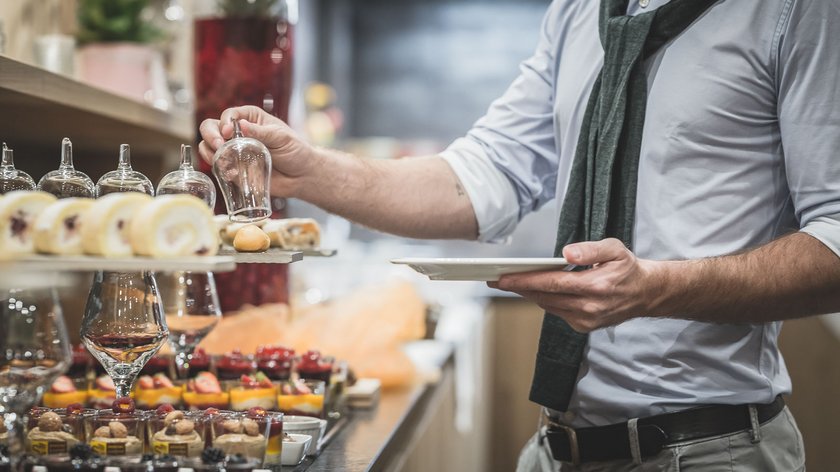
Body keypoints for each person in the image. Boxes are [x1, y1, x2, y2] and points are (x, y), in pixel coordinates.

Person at [199, 0, 840, 469]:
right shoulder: (578, 13)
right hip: (558, 449)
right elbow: (483, 176)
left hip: (711, 451)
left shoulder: (799, 10)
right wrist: (310, 172)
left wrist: (657, 288)